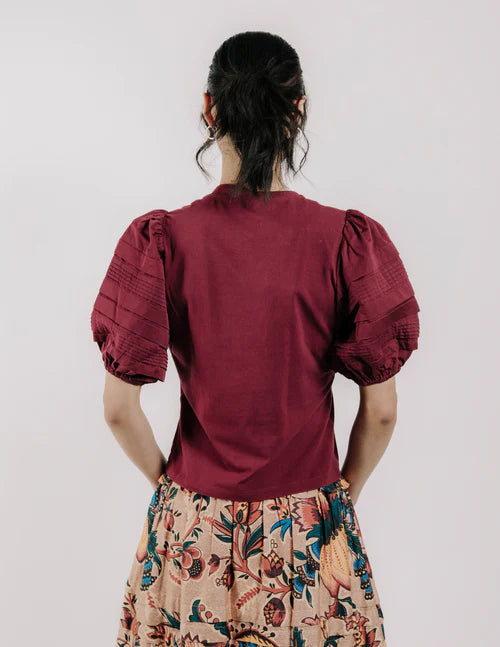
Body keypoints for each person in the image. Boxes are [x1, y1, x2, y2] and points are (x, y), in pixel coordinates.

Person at [91, 30, 420, 647]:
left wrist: (172, 490)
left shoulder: (162, 241)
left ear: (209, 109)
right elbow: (381, 412)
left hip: (193, 532)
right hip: (310, 530)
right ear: (299, 109)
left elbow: (117, 409)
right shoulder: (344, 241)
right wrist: (338, 497)